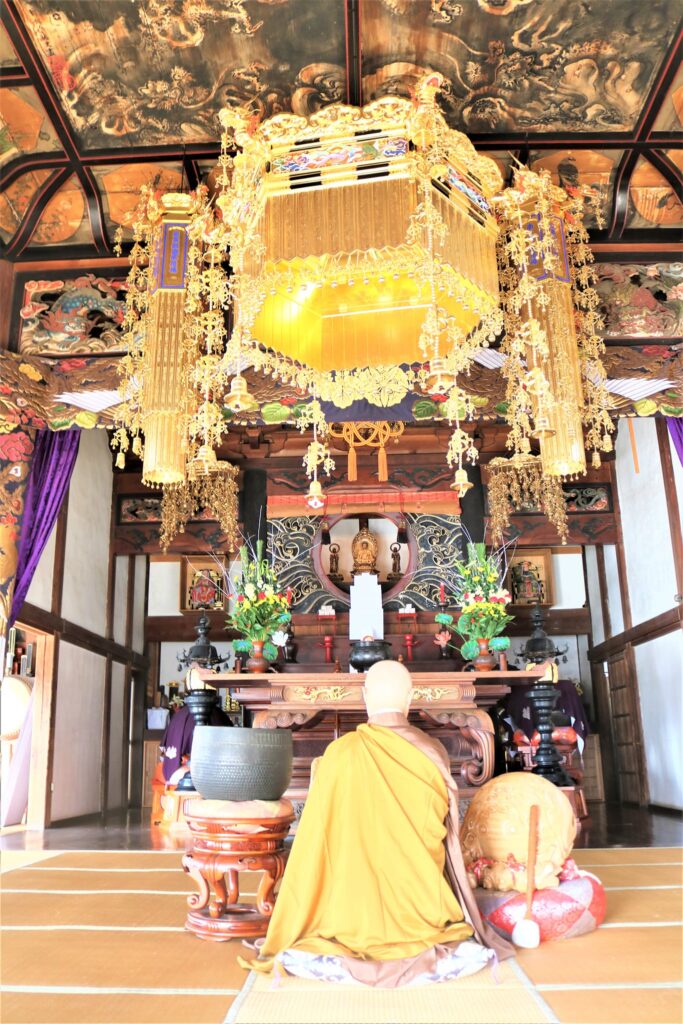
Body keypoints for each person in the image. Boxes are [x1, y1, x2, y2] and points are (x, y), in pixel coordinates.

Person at [242, 660, 513, 987]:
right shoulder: (433, 752)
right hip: (423, 909)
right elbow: (448, 839)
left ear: (365, 697)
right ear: (410, 698)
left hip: (348, 916)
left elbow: (313, 848)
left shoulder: (338, 754)